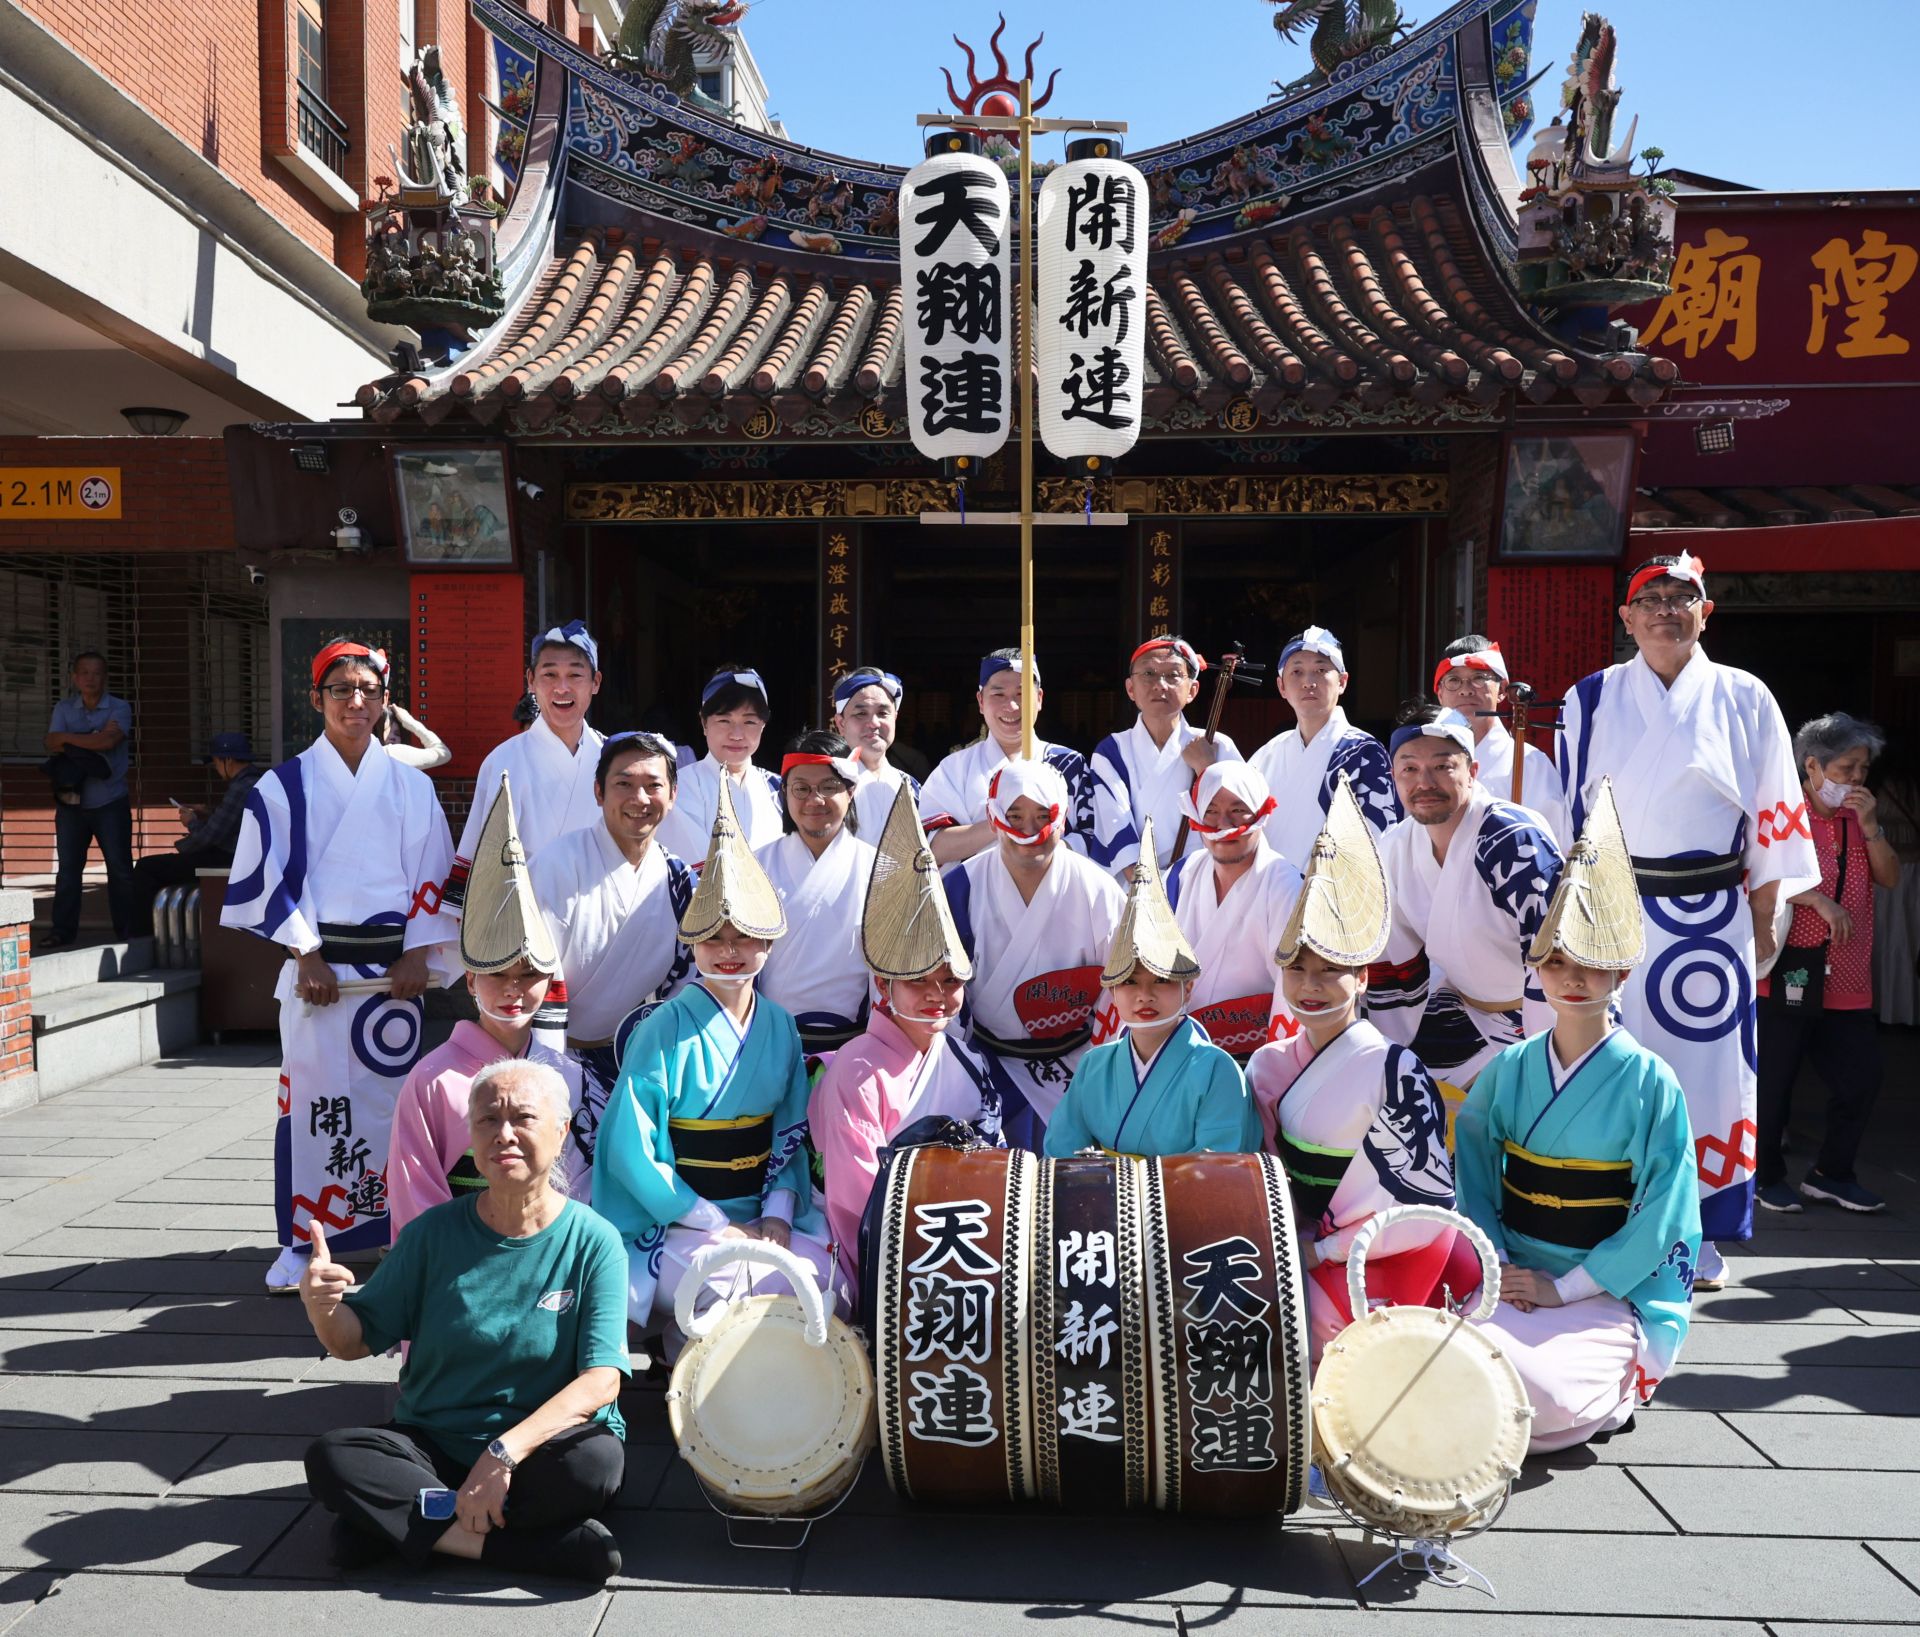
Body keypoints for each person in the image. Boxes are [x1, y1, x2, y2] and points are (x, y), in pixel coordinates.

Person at [1558, 553, 1818, 1281]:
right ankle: (1606, 1217)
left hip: (1710, 916)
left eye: (1684, 598)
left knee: (1705, 1072)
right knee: (1610, 1066)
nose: (1667, 610)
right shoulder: (1591, 697)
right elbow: (1568, 817)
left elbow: (1774, 811)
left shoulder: (1744, 695)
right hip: (1613, 906)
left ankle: (1696, 1229)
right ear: (1627, 617)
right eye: (1653, 598)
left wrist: (1768, 912)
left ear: (1706, 613)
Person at [301, 1059, 627, 1582]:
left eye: (523, 1118)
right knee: (334, 1456)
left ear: (562, 1130)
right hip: (434, 1443)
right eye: (487, 1122)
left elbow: (602, 1379)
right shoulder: (431, 1234)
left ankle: (401, 1525)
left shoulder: (594, 1241)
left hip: (536, 1451)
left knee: (594, 1465)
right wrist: (322, 1307)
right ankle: (525, 1550)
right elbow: (351, 1342)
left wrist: (502, 1455)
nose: (504, 1135)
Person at [1455, 781, 1701, 1453]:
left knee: (1537, 1394)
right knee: (1443, 1364)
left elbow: (1666, 1213)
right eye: (1558, 960)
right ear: (1536, 964)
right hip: (1513, 1276)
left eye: (1592, 964)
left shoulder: (1653, 1082)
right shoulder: (1510, 1068)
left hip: (1607, 1283)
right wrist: (1498, 1263)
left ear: (1621, 970)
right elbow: (1472, 1172)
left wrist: (1568, 1287)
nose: (1573, 978)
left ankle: (1616, 1385)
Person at [221, 641, 454, 1292]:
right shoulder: (284, 785)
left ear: (385, 701)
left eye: (368, 690)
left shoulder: (410, 784)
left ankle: (391, 1234)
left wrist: (417, 951)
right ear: (316, 697)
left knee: (391, 1105)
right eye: (342, 688)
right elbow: (266, 876)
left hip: (391, 977)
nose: (356, 700)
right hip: (316, 972)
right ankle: (305, 1240)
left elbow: (434, 871)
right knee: (315, 1106)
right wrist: (307, 953)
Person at [594, 779, 838, 1341]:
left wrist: (776, 1212)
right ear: (692, 945)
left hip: (764, 1209)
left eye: (745, 938)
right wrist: (713, 1220)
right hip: (678, 1217)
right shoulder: (662, 1029)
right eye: (714, 939)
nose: (729, 952)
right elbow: (631, 1148)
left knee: (825, 1274)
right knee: (732, 1280)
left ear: (769, 944)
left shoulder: (778, 1024)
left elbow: (789, 1131)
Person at [1246, 775, 1460, 1362]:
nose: (1309, 987)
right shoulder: (1266, 1067)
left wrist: (1321, 1250)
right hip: (1294, 1244)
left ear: (1363, 977)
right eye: (1297, 970)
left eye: (1330, 970)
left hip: (1384, 1257)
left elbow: (1419, 1206)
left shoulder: (1397, 1069)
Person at [809, 785, 1011, 1293]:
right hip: (884, 1258)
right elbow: (855, 1202)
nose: (937, 996)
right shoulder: (856, 1073)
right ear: (883, 984)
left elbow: (996, 1166)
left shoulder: (967, 1059)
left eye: (950, 981)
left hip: (967, 1242)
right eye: (918, 981)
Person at [389, 777, 576, 1237]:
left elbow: (582, 1185)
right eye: (497, 975)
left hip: (547, 1250)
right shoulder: (431, 1078)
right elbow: (414, 1190)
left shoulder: (565, 1073)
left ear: (549, 981)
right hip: (459, 1254)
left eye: (529, 975)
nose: (513, 989)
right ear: (471, 979)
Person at [1372, 707, 1564, 1110]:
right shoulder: (1395, 846)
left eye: (1442, 766)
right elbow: (1394, 956)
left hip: (1538, 1015)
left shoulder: (1514, 840)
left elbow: (1557, 956)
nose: (1424, 782)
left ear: (1472, 770)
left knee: (1534, 1112)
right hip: (1458, 1008)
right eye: (1409, 769)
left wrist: (1548, 1056)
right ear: (1393, 775)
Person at [531, 732, 695, 1196]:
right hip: (553, 1054)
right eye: (624, 784)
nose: (639, 799)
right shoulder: (556, 864)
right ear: (599, 791)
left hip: (633, 1059)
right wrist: (549, 1075)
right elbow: (538, 975)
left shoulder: (680, 879)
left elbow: (688, 980)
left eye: (653, 785)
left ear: (673, 793)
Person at [1756, 712, 1902, 1214]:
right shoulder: (1783, 811)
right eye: (1846, 768)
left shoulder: (1858, 818)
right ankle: (1764, 1174)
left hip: (1849, 970)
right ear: (1812, 767)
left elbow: (1889, 878)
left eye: (1862, 769)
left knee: (1862, 1078)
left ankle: (1832, 1174)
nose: (1856, 779)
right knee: (1774, 1078)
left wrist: (1870, 825)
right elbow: (1756, 874)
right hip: (1791, 965)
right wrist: (1818, 899)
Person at [943, 758, 1127, 1148]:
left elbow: (1121, 986)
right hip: (988, 1062)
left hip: (1082, 1061)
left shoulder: (1099, 891)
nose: (1028, 831)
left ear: (1062, 819)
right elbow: (943, 991)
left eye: (1042, 815)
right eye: (1014, 815)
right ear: (994, 819)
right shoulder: (960, 887)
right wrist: (963, 1069)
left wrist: (1099, 1066)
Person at [1045, 820, 1257, 1158]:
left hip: (1185, 1207)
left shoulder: (1218, 1069)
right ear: (1112, 992)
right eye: (1129, 982)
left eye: (1161, 980)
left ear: (1189, 989)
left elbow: (1218, 1169)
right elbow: (1062, 1150)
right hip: (1099, 1205)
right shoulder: (1093, 1065)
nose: (1145, 995)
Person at [449, 621, 606, 909]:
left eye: (575, 675)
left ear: (595, 682)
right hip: (524, 921)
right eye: (550, 675)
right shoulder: (503, 761)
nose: (562, 687)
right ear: (531, 681)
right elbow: (484, 860)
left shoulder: (611, 758)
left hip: (604, 914)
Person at [754, 729, 877, 1065]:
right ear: (784, 794)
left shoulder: (880, 869)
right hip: (766, 1047)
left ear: (851, 791)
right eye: (802, 789)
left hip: (855, 1051)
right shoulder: (754, 866)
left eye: (828, 787)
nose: (815, 800)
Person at [1166, 761, 1303, 1058]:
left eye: (1238, 809)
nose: (1224, 825)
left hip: (1255, 1057)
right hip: (1178, 1051)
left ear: (1262, 814)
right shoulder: (1181, 874)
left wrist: (1275, 1068)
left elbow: (1294, 985)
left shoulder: (1285, 885)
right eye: (1211, 811)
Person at [920, 649, 1095, 863]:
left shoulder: (1068, 764)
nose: (1011, 706)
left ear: (1039, 698)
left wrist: (1035, 853)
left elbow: (1092, 838)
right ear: (981, 701)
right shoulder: (954, 768)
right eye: (998, 694)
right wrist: (1003, 824)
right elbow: (930, 848)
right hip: (973, 895)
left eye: (1022, 694)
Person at [1248, 626, 1400, 870]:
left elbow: (1377, 844)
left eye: (1321, 670)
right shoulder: (1267, 754)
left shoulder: (1362, 752)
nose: (1308, 682)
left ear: (1342, 682)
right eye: (1297, 671)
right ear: (1281, 686)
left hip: (1331, 898)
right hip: (1268, 895)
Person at [1087, 636, 1234, 878]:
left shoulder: (1217, 745)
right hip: (1136, 885)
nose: (1160, 685)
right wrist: (1147, 889)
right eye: (1148, 674)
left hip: (1203, 882)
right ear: (1130, 689)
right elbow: (1115, 829)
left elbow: (1236, 819)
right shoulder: (1112, 750)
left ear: (1192, 690)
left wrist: (1206, 768)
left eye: (1173, 675)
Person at [1433, 636, 1569, 842]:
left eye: (1479, 678)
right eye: (1454, 680)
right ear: (1440, 693)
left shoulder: (1530, 762)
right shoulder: (1424, 761)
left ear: (1502, 689)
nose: (1466, 689)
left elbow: (1554, 843)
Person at [41, 650, 134, 948]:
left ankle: (128, 931)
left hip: (110, 801)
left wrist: (70, 738)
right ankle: (62, 931)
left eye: (96, 673)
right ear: (75, 677)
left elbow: (109, 741)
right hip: (70, 801)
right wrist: (90, 737)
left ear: (104, 677)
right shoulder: (63, 707)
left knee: (119, 869)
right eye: (85, 673)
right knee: (68, 871)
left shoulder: (119, 707)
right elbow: (51, 742)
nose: (90, 679)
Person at [128, 731, 260, 934]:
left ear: (228, 760)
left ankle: (142, 937)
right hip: (244, 856)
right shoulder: (257, 781)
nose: (216, 768)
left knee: (147, 868)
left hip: (229, 857)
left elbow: (210, 836)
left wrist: (191, 823)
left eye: (216, 762)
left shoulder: (241, 787)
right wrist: (209, 813)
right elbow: (231, 821)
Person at [653, 664, 784, 863]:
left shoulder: (778, 788)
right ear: (704, 723)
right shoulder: (678, 787)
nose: (737, 735)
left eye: (749, 722)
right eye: (724, 720)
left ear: (763, 726)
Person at [833, 666, 921, 837]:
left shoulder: (912, 788)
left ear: (895, 718)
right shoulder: (826, 782)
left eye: (882, 713)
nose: (874, 723)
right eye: (861, 713)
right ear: (841, 724)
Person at [379, 700, 451, 772]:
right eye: (385, 730)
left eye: (397, 734)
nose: (392, 737)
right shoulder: (391, 752)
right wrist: (410, 722)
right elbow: (443, 753)